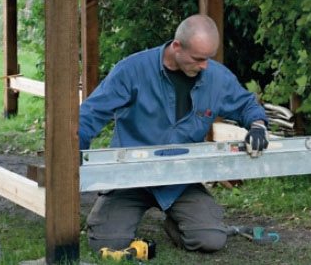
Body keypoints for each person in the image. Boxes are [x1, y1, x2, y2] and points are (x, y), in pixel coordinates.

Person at [78, 14, 269, 253]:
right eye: (198, 59)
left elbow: (246, 105)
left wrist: (258, 126)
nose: (205, 66)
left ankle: (175, 224)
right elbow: (91, 113)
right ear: (177, 47)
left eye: (208, 58)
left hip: (180, 179)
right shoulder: (132, 70)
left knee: (210, 240)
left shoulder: (216, 77)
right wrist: (76, 149)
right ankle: (109, 220)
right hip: (129, 177)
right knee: (107, 244)